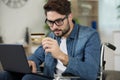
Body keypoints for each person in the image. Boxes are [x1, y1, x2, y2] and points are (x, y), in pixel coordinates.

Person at [0, 0, 101, 80]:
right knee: (5, 75)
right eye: (50, 22)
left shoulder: (90, 36)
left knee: (29, 78)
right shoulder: (52, 35)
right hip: (50, 77)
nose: (54, 27)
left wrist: (62, 56)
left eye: (59, 21)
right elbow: (37, 56)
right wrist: (31, 62)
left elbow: (91, 73)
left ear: (70, 17)